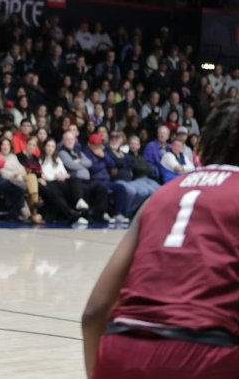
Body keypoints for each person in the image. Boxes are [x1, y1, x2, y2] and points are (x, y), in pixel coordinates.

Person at [82, 99, 239, 378]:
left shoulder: (160, 195)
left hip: (121, 351)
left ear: (203, 147)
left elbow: (94, 311)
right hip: (205, 355)